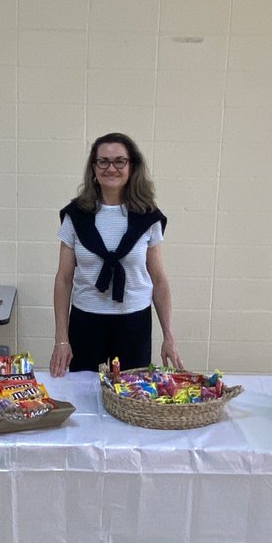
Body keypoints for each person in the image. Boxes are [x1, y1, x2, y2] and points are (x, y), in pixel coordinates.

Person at [49, 133, 183, 377]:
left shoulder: (147, 216)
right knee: (84, 392)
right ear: (94, 168)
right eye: (103, 161)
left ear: (132, 166)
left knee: (132, 392)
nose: (111, 168)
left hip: (134, 322)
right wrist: (61, 339)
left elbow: (158, 278)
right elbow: (64, 279)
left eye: (120, 161)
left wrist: (169, 336)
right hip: (86, 321)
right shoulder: (75, 216)